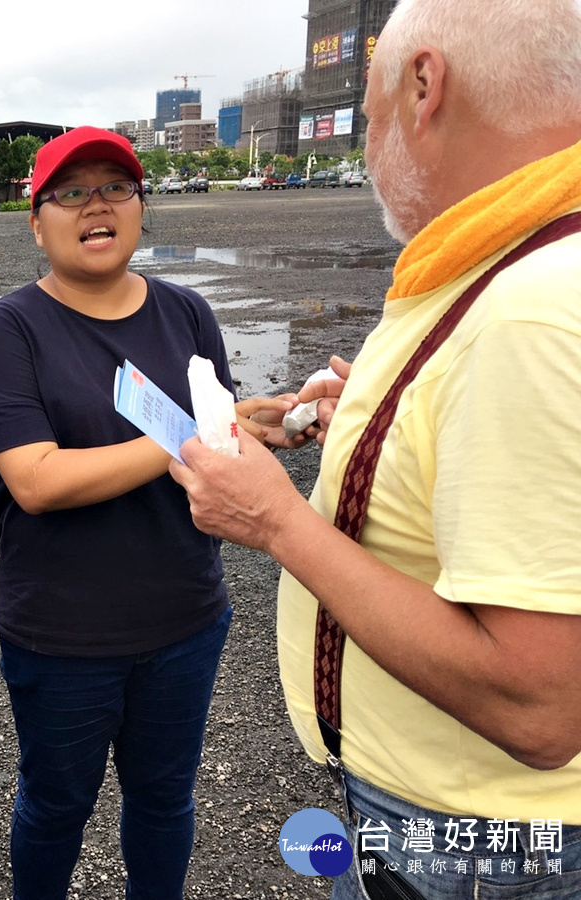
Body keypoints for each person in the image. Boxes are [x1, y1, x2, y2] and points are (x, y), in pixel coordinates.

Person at [170, 0, 581, 896]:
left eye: (369, 105)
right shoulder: (514, 258)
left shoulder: (535, 303)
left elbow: (542, 706)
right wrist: (381, 417)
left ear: (425, 85)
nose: (364, 139)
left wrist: (276, 523)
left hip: (475, 838)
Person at [0, 127, 297, 900]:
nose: (97, 205)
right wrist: (196, 433)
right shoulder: (8, 330)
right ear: (36, 220)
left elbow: (222, 452)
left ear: (142, 208)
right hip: (63, 634)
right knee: (55, 806)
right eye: (72, 192)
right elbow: (36, 480)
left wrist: (273, 426)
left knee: (164, 800)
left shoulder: (186, 314)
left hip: (185, 620)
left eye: (116, 187)